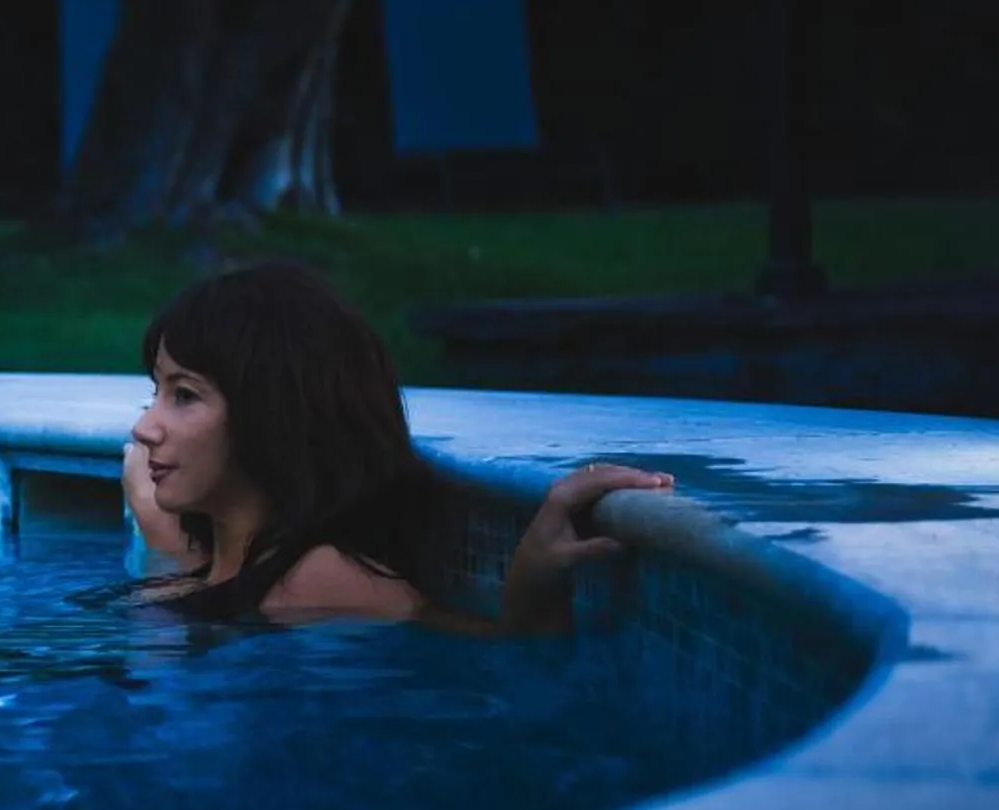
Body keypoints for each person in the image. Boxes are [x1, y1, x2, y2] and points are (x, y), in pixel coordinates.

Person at [120, 261, 670, 629]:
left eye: (184, 395)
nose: (146, 427)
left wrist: (530, 583)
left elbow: (504, 659)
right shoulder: (214, 567)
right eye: (157, 391)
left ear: (273, 415)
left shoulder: (317, 578)